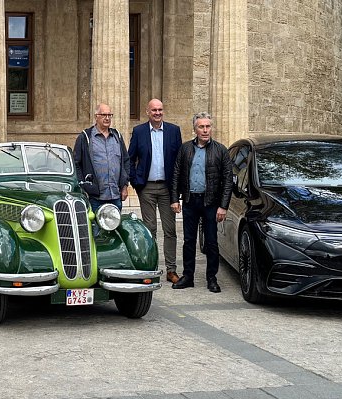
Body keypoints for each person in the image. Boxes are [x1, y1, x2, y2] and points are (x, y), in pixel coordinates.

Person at [169, 112, 233, 293]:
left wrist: (223, 206)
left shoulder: (221, 150)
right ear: (195, 129)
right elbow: (176, 175)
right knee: (189, 241)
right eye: (201, 127)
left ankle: (211, 278)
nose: (205, 130)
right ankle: (188, 276)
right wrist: (175, 199)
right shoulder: (185, 149)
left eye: (208, 126)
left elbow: (228, 180)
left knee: (211, 242)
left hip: (211, 203)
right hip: (190, 201)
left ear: (211, 128)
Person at [129, 99, 183, 284]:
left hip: (168, 189)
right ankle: (150, 269)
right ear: (147, 112)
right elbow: (131, 159)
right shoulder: (139, 132)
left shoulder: (174, 131)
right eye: (154, 110)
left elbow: (179, 162)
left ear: (163, 111)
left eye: (160, 109)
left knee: (170, 231)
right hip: (147, 188)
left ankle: (171, 270)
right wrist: (136, 183)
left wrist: (177, 190)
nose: (157, 113)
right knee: (149, 230)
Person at [74, 103, 129, 212]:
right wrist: (83, 186)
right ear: (96, 116)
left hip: (115, 196)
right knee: (96, 229)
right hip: (95, 197)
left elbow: (126, 161)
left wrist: (125, 186)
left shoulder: (117, 136)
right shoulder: (85, 137)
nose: (107, 118)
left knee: (115, 227)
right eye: (104, 115)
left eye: (109, 115)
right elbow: (76, 164)